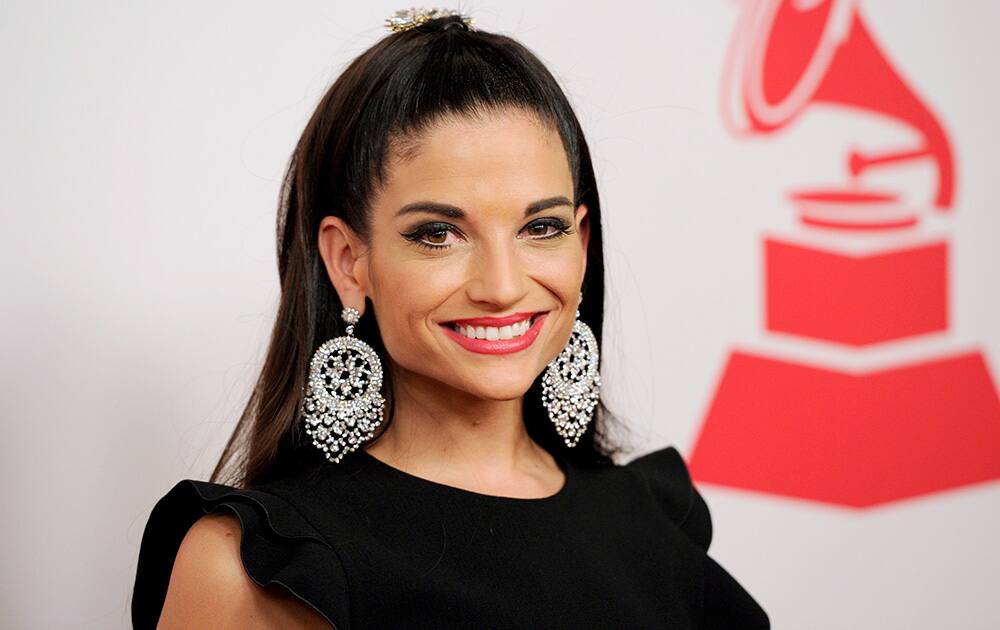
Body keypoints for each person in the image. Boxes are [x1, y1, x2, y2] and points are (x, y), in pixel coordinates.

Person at [130, 8, 771, 629]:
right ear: (350, 262)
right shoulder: (258, 568)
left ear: (581, 243)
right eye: (439, 234)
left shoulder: (651, 519)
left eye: (540, 228)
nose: (502, 286)